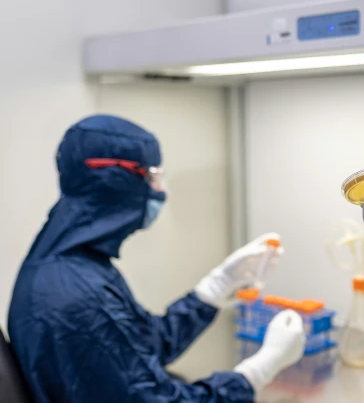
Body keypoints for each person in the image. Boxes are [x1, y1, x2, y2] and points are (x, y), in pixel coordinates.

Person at [8, 115, 306, 402]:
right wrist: (260, 369)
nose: (160, 190)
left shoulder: (72, 266)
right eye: (154, 176)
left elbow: (143, 345)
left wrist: (217, 286)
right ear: (119, 181)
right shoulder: (78, 295)